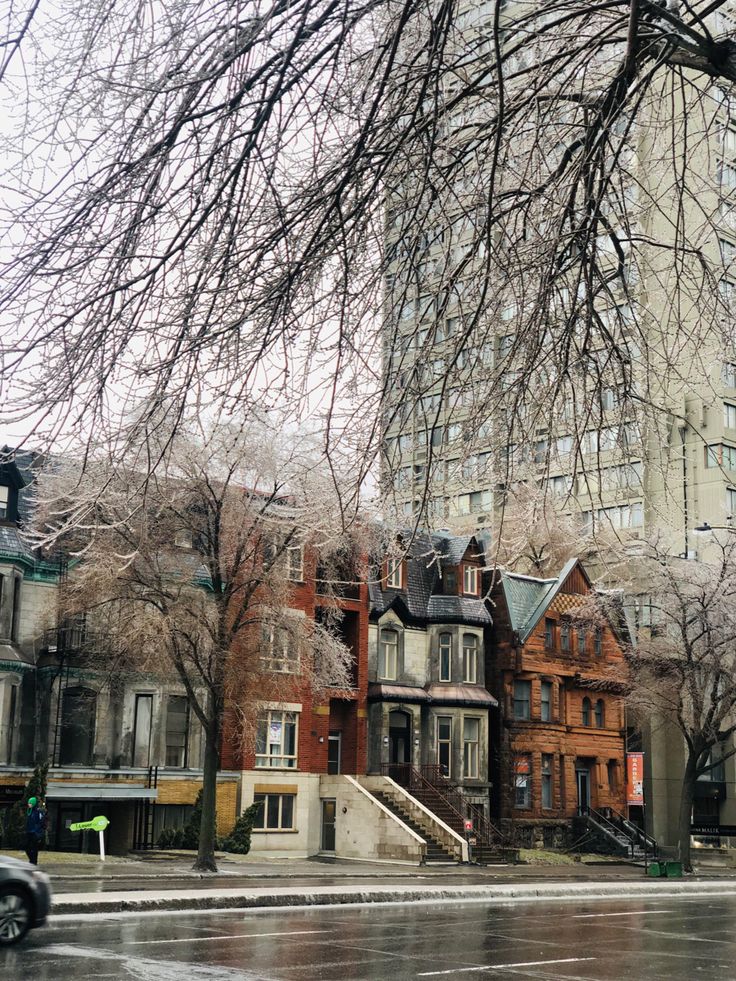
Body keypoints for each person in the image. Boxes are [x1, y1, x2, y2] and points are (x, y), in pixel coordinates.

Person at [25, 796, 47, 866]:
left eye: (30, 803)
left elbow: (41, 822)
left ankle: (34, 862)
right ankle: (32, 860)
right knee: (27, 848)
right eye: (28, 803)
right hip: (29, 832)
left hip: (35, 832)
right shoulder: (29, 811)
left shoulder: (38, 811)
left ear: (34, 803)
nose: (29, 804)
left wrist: (37, 830)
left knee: (34, 848)